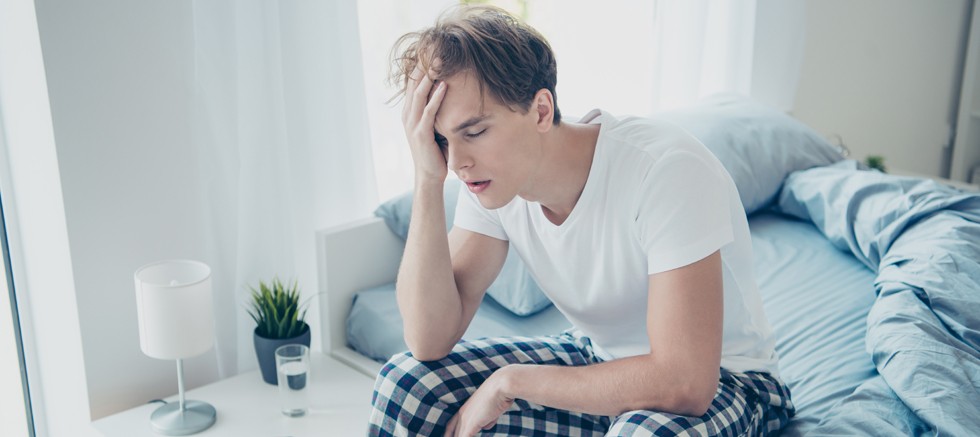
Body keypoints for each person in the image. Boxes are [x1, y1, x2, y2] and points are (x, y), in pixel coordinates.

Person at [369, 5, 794, 436]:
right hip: (597, 358)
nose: (457, 161)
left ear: (540, 110)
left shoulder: (665, 171)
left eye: (474, 132)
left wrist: (510, 382)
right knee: (407, 386)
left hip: (730, 381)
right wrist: (427, 178)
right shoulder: (488, 183)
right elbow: (427, 339)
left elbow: (685, 383)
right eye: (442, 139)